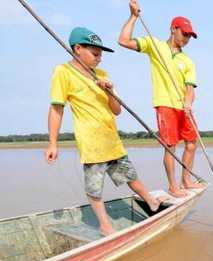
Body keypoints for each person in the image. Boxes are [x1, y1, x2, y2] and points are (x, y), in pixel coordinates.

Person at [45, 27, 166, 236]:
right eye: (95, 54)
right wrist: (53, 143)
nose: (99, 59)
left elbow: (117, 110)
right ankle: (104, 225)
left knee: (131, 176)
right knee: (94, 188)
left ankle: (151, 202)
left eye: (101, 55)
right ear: (78, 49)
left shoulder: (101, 75)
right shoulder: (63, 72)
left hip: (111, 140)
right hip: (91, 144)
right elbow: (57, 108)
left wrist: (109, 90)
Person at [118, 0, 203, 198]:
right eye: (184, 33)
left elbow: (190, 89)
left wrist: (189, 103)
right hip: (165, 105)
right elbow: (123, 41)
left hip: (183, 107)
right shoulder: (155, 45)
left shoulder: (187, 61)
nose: (187, 38)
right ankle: (173, 186)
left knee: (192, 143)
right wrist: (133, 16)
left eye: (190, 36)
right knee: (171, 147)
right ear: (173, 29)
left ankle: (186, 180)